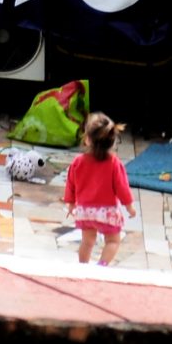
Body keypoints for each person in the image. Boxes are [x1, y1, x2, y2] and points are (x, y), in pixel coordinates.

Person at [63, 111, 137, 266]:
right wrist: (129, 206)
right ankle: (101, 265)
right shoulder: (114, 164)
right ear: (112, 142)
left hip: (85, 211)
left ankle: (83, 265)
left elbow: (71, 183)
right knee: (113, 241)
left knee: (87, 242)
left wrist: (70, 203)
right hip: (107, 212)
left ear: (88, 139)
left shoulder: (78, 162)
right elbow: (122, 187)